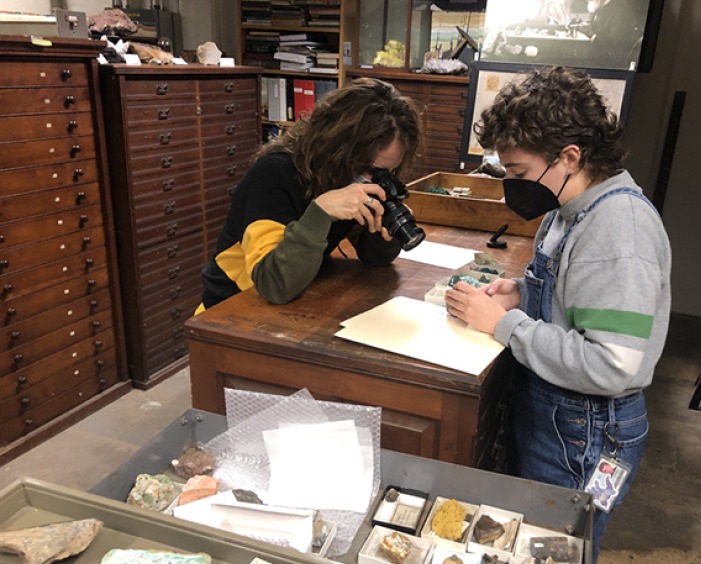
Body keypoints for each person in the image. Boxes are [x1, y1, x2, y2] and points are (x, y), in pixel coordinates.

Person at [444, 66, 671, 562]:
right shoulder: (570, 208)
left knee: (554, 550)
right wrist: (522, 293)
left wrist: (503, 324)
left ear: (570, 156)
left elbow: (612, 363)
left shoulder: (618, 231)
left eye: (519, 172)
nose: (512, 184)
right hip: (557, 412)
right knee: (528, 541)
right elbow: (581, 301)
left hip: (587, 434)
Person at [197, 78, 421, 312]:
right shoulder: (273, 175)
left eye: (389, 171)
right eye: (371, 169)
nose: (373, 180)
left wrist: (383, 233)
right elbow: (274, 284)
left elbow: (373, 257)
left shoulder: (346, 177)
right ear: (338, 148)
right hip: (228, 311)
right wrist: (320, 214)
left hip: (293, 305)